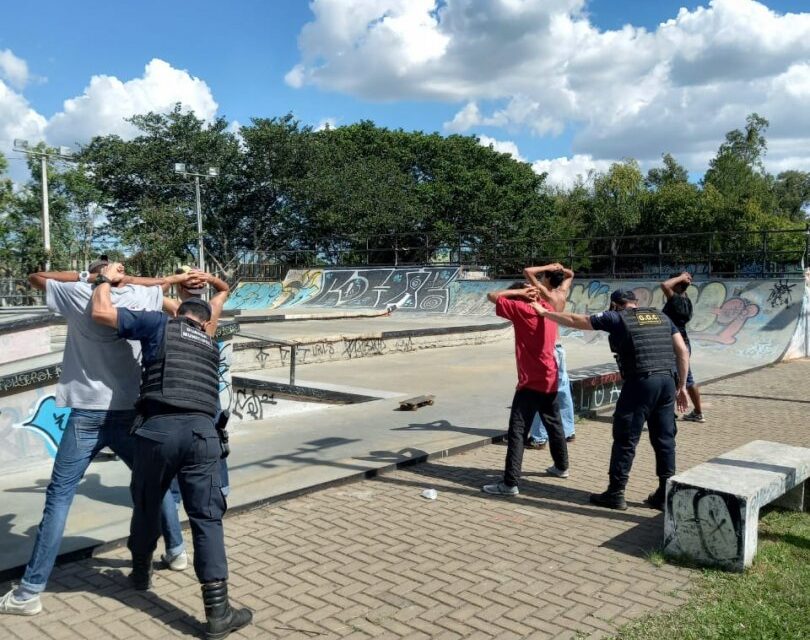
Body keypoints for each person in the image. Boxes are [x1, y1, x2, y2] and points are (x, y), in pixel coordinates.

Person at [0, 258, 190, 616]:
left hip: (86, 413)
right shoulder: (142, 296)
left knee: (59, 498)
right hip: (132, 410)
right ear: (120, 274)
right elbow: (162, 291)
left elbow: (35, 277)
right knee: (154, 484)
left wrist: (90, 276)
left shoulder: (78, 293)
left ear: (97, 273)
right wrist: (135, 278)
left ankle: (29, 593)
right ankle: (176, 551)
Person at [90, 263, 251, 640]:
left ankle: (141, 572)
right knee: (206, 518)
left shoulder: (159, 324)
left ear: (177, 312)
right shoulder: (210, 338)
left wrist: (103, 281)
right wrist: (209, 280)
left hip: (157, 431)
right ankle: (218, 613)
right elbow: (223, 292)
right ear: (205, 320)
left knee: (147, 504)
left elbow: (100, 313)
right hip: (201, 435)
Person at [532, 289, 689, 510]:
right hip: (667, 382)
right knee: (665, 439)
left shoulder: (617, 317)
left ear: (615, 304)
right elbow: (682, 351)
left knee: (626, 438)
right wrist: (682, 386)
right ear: (635, 302)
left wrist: (544, 312)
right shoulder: (661, 316)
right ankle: (664, 494)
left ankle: (615, 493)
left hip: (641, 382)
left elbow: (578, 320)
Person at [482, 282, 569, 497]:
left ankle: (510, 483)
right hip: (550, 376)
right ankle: (561, 466)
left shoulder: (522, 309)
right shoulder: (548, 309)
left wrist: (518, 292)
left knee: (518, 431)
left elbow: (492, 295)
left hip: (530, 382)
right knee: (554, 423)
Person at [522, 263, 577, 448]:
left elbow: (528, 272)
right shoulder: (562, 293)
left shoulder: (546, 294)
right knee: (563, 390)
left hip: (549, 347)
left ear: (546, 279)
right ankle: (568, 431)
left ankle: (539, 437)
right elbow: (571, 274)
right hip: (560, 347)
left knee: (543, 390)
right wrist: (560, 269)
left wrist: (550, 266)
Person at [661, 272, 705, 423]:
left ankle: (669, 414)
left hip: (674, 343)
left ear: (678, 286)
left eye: (676, 283)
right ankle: (698, 412)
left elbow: (665, 285)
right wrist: (685, 281)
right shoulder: (687, 300)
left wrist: (680, 277)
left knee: (671, 378)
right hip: (685, 342)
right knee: (688, 379)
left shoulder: (676, 300)